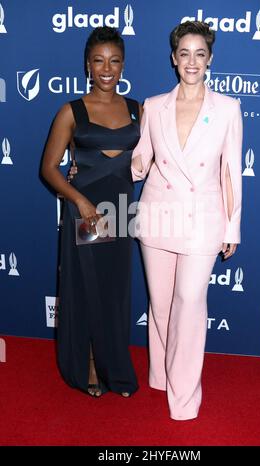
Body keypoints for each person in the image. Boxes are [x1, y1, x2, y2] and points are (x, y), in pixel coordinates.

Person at [131, 21, 243, 420]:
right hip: (158, 215)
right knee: (160, 305)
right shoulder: (154, 105)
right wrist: (97, 166)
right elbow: (139, 161)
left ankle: (184, 397)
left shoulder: (228, 108)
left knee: (190, 303)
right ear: (173, 59)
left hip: (203, 219)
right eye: (184, 53)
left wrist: (232, 227)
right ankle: (161, 374)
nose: (191, 61)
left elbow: (230, 171)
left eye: (200, 54)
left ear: (210, 59)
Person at [42, 26, 141, 398]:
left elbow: (150, 159)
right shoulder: (72, 110)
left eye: (114, 61)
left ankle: (115, 366)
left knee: (115, 291)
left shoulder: (137, 109)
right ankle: (88, 367)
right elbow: (49, 167)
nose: (106, 68)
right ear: (87, 65)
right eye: (99, 60)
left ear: (123, 65)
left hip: (120, 210)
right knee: (87, 288)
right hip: (87, 214)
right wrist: (80, 200)